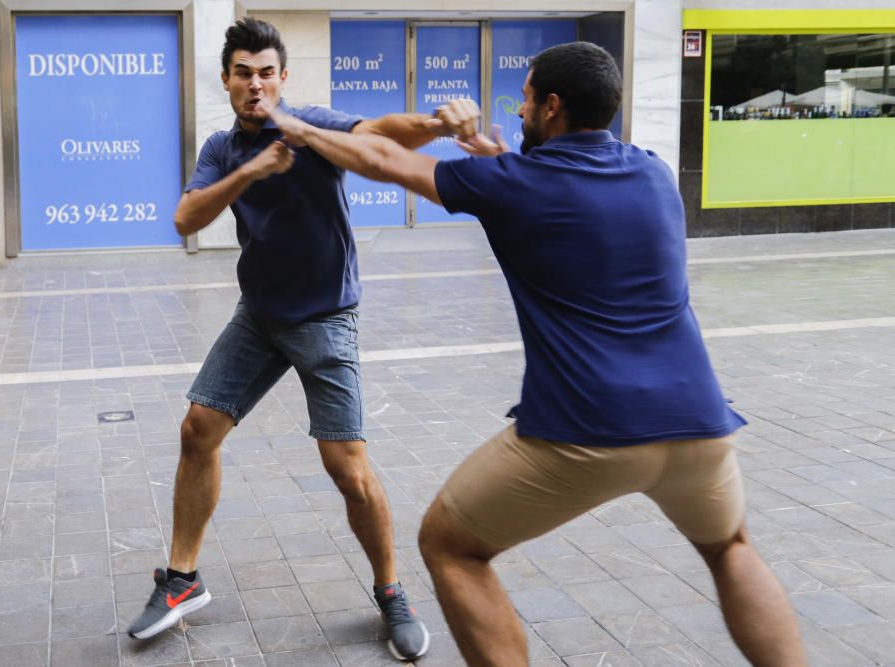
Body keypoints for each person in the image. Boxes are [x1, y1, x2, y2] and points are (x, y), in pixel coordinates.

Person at [267, 42, 807, 667]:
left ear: (551, 107)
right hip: (700, 423)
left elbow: (385, 160)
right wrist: (504, 169)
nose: (518, 110)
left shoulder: (513, 184)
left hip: (587, 429)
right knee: (730, 547)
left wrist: (302, 128)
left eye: (523, 98)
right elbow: (580, 211)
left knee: (449, 545)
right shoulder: (654, 171)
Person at [128, 17, 478, 661]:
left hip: (325, 318)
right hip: (258, 316)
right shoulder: (221, 148)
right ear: (227, 80)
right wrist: (252, 172)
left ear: (282, 79)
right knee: (197, 429)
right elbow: (187, 216)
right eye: (243, 73)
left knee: (347, 469)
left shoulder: (311, 126)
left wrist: (435, 124)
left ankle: (391, 591)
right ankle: (182, 580)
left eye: (266, 73)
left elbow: (376, 133)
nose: (255, 84)